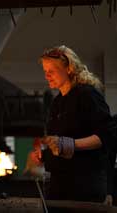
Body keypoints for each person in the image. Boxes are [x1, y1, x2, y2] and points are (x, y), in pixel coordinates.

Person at [30, 45, 117, 202]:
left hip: (84, 186)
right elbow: (60, 142)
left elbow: (106, 136)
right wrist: (44, 154)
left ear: (69, 69)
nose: (47, 76)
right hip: (60, 185)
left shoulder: (88, 94)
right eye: (45, 71)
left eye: (52, 71)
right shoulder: (57, 102)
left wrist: (69, 144)